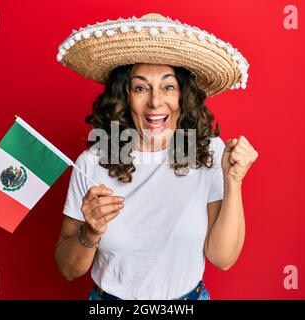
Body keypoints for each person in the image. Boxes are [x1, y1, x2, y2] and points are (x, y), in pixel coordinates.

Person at [54, 13, 258, 300]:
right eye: (140, 88)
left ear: (183, 96)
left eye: (168, 86)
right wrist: (91, 231)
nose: (154, 101)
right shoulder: (94, 161)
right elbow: (67, 269)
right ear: (124, 97)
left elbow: (222, 258)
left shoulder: (206, 152)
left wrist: (233, 181)